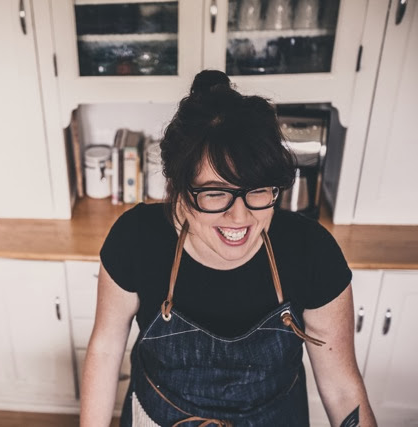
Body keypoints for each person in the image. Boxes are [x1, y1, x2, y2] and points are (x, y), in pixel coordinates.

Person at [80, 70, 376, 426]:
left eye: (257, 190)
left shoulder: (312, 252)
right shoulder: (136, 238)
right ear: (178, 186)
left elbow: (342, 388)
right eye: (215, 192)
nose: (240, 216)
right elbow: (106, 349)